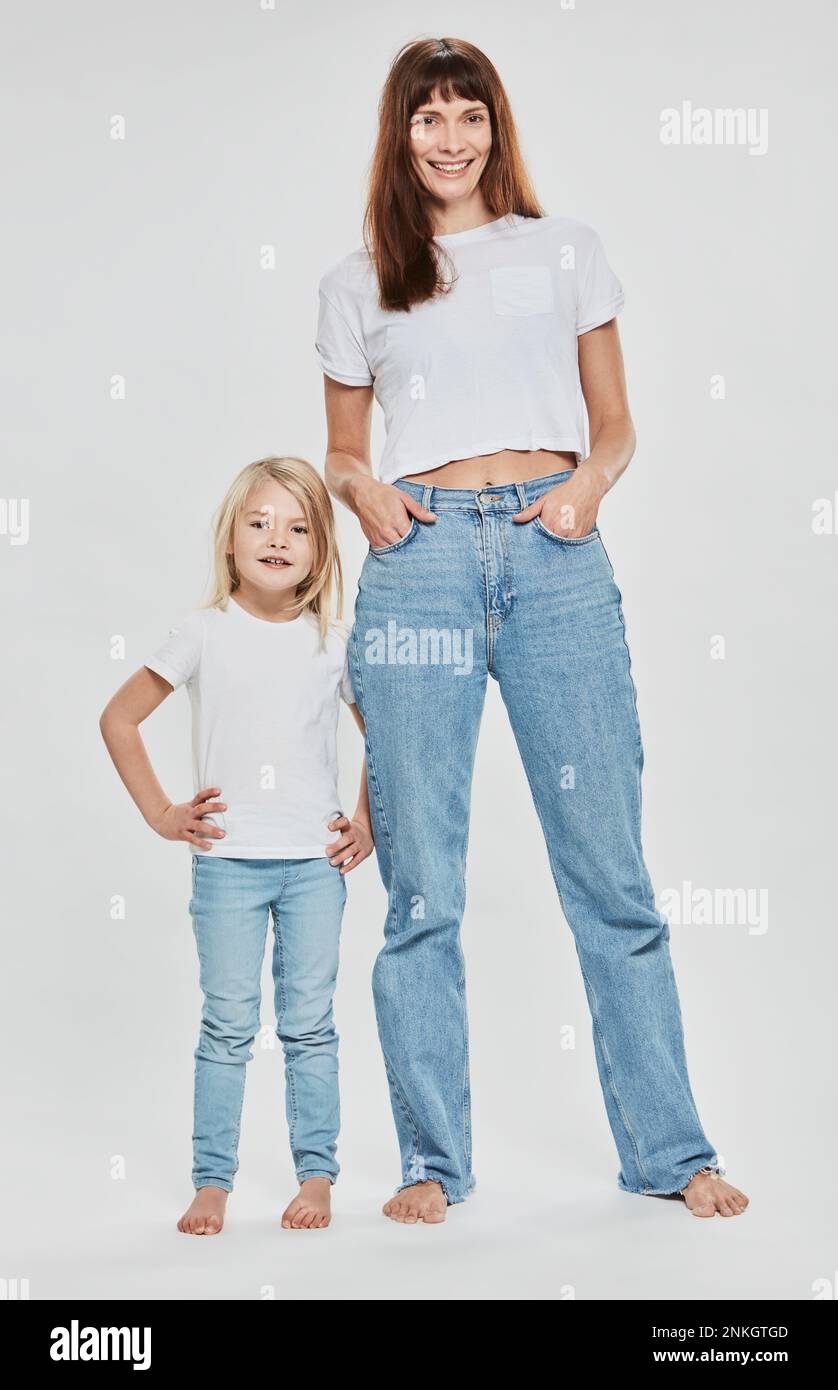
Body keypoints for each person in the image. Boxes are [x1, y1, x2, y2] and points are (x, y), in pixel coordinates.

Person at [315, 37, 749, 1223]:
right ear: (398, 138)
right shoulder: (362, 281)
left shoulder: (566, 251)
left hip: (556, 555)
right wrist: (365, 497)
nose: (449, 139)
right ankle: (430, 1166)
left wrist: (587, 492)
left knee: (610, 873)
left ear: (496, 129)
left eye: (468, 117)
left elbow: (614, 426)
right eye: (427, 120)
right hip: (420, 563)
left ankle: (669, 1152)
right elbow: (344, 448)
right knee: (421, 890)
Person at [99, 456, 373, 1233]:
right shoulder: (201, 632)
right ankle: (212, 1180)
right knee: (227, 1024)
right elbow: (118, 720)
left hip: (314, 869)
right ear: (230, 542)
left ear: (321, 549)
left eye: (297, 528)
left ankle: (315, 1177)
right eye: (259, 523)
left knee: (309, 1025)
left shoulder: (335, 642)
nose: (276, 539)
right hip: (227, 867)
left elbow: (384, 739)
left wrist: (368, 822)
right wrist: (161, 812)